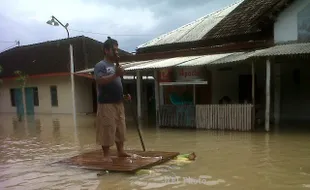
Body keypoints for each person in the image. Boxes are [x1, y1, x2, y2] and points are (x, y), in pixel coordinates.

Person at [94, 37, 131, 162]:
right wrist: (116, 74)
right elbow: (99, 80)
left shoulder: (116, 66)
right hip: (106, 103)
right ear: (106, 50)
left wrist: (124, 96)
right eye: (114, 50)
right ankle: (106, 155)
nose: (117, 52)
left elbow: (117, 83)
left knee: (121, 128)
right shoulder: (101, 65)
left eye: (117, 50)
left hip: (118, 102)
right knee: (107, 128)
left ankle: (120, 151)